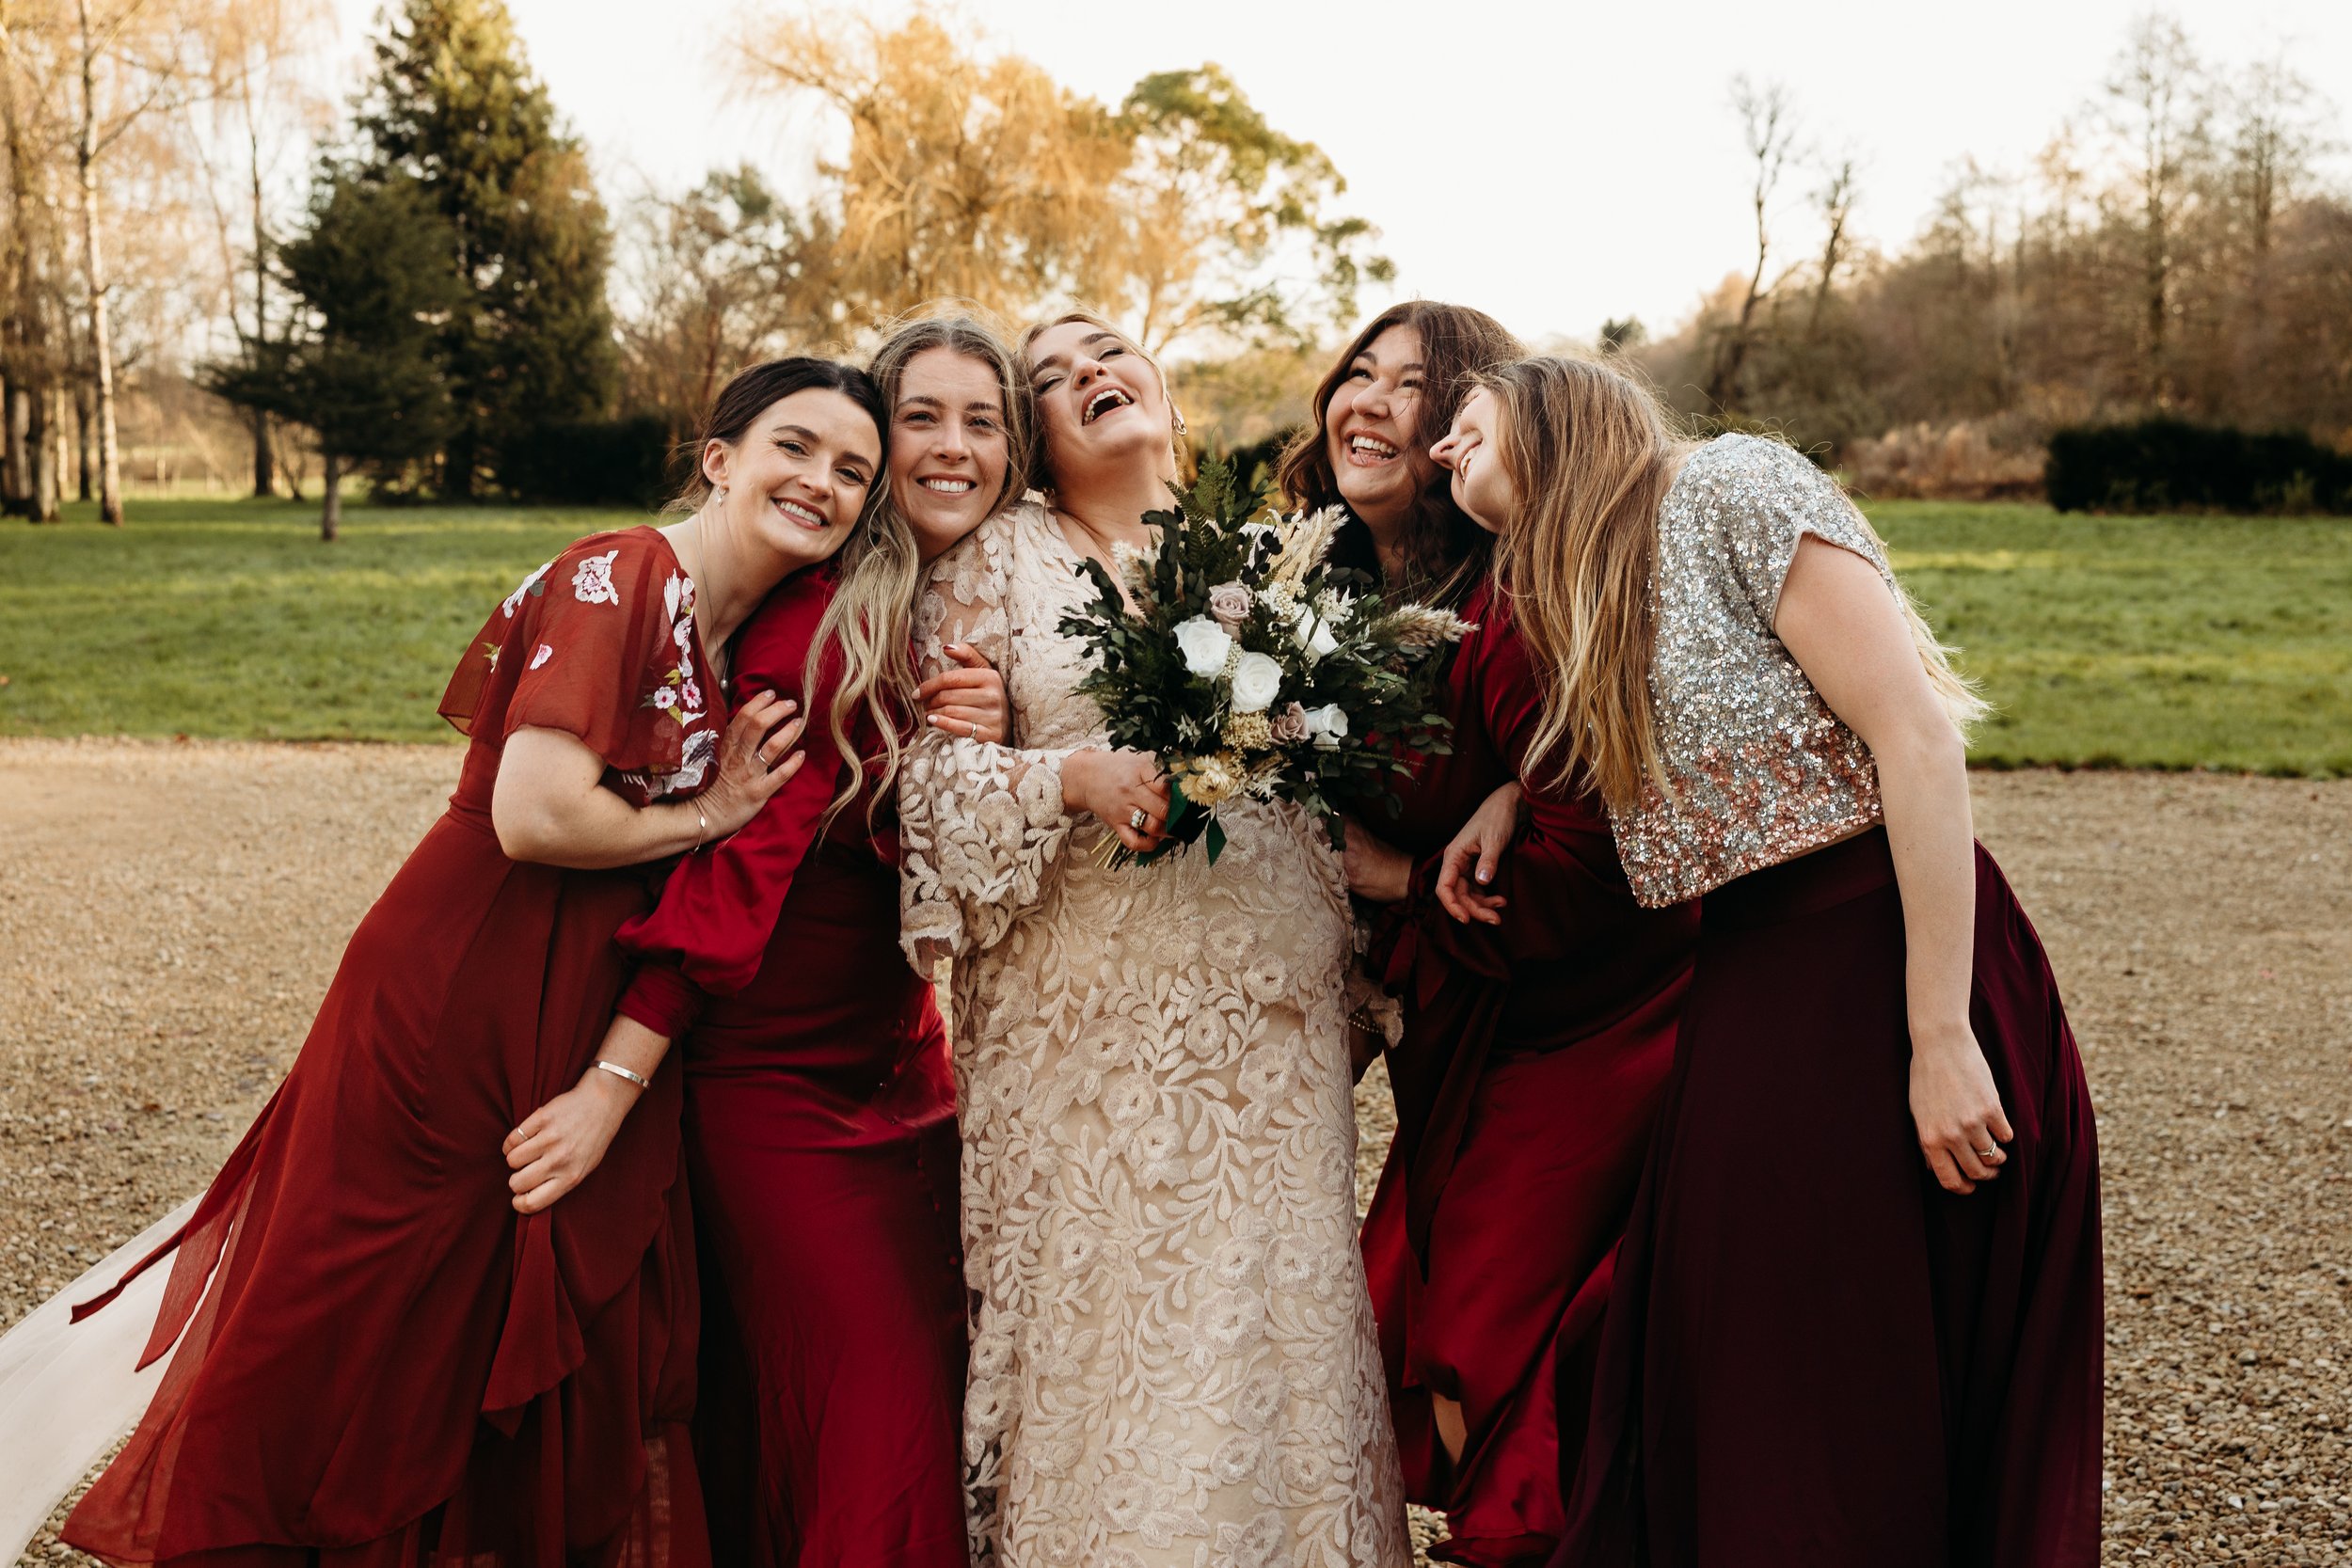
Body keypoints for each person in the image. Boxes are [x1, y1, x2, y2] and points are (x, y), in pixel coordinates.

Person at [57, 356, 889, 1567]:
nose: (821, 480)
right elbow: (534, 814)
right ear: (720, 457)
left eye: (852, 471)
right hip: (466, 971)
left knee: (506, 1298)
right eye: (796, 446)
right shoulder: (625, 571)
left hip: (574, 980)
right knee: (391, 1299)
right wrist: (706, 817)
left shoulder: (741, 626)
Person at [1431, 356, 2104, 1568]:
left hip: (1884, 953)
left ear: (1541, 399)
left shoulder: (1731, 482)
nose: (1437, 448)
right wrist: (1499, 794)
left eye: (1458, 422)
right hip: (1747, 976)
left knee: (1848, 1351)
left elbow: (1915, 736)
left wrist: (1939, 1035)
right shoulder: (1572, 587)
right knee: (1733, 1340)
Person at [898, 309, 1411, 1567]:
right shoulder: (994, 565)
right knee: (1114, 1360)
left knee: (1272, 1353)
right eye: (1054, 377)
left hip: (1272, 1050)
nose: (1089, 374)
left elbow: (1348, 777)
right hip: (1091, 1059)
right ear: (1036, 435)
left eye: (1107, 351)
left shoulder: (1282, 561)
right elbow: (921, 794)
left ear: (1162, 385)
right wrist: (1067, 772)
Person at [551, 315, 1031, 1568]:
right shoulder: (813, 631)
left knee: (922, 1386)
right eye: (918, 417)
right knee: (880, 1406)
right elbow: (732, 881)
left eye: (982, 421)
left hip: (909, 1066)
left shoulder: (981, 615)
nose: (951, 446)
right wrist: (614, 1080)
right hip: (775, 1086)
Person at [1341, 578, 1695, 1568]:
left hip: (1593, 1002)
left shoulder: (1511, 599)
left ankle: (1532, 1536)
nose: (1368, 410)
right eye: (1343, 403)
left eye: (1443, 418)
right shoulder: (1311, 582)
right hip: (1462, 1021)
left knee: (1482, 1314)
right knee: (1441, 1304)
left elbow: (1591, 861)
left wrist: (1402, 877)